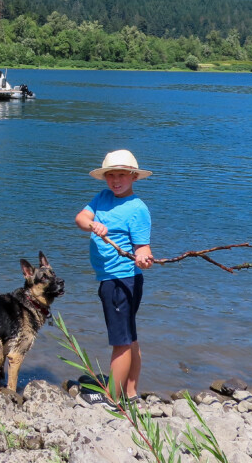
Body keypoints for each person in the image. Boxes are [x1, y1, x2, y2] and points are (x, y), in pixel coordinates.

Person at [75, 149, 154, 405]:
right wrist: (92, 224)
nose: (116, 180)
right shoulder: (103, 197)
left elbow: (143, 247)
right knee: (129, 336)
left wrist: (144, 258)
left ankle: (113, 397)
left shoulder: (137, 208)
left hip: (122, 280)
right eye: (111, 175)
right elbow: (81, 217)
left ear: (133, 177)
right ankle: (130, 392)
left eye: (121, 175)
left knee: (120, 341)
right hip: (109, 278)